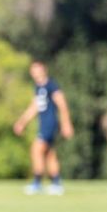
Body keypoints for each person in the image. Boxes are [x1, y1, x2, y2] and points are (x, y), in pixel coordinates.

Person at [13, 62, 74, 195]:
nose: (36, 73)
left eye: (38, 70)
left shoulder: (51, 85)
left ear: (44, 70)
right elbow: (34, 107)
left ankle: (37, 183)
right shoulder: (38, 88)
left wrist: (66, 123)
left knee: (36, 150)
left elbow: (62, 104)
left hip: (49, 123)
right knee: (49, 154)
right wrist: (22, 122)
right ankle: (56, 183)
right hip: (44, 124)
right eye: (33, 71)